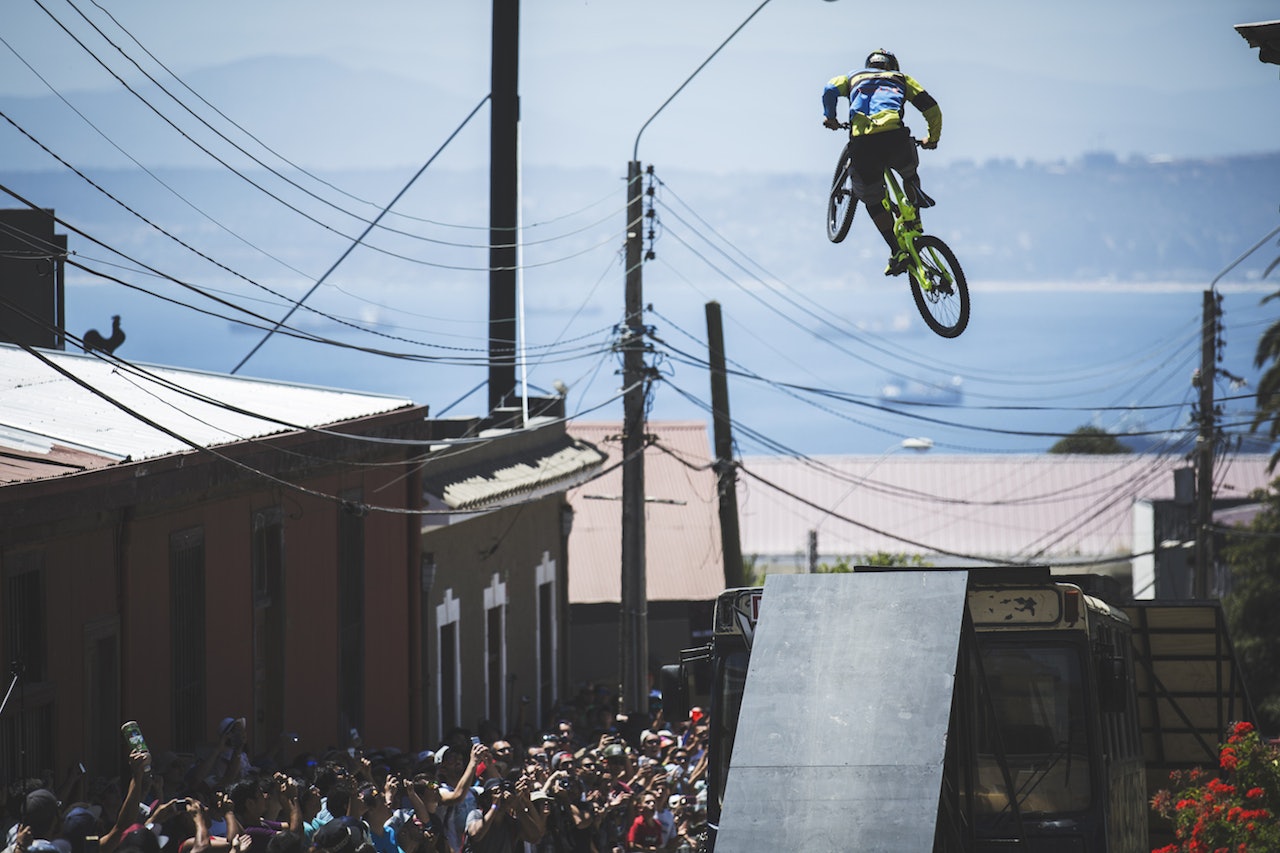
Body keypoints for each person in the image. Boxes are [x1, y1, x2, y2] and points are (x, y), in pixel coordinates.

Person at [821, 49, 942, 276]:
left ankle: (897, 251)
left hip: (864, 143)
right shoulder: (901, 79)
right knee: (908, 172)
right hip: (896, 139)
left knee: (872, 198)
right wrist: (932, 139)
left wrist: (830, 116)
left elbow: (829, 89)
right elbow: (931, 108)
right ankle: (914, 217)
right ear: (892, 66)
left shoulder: (853, 77)